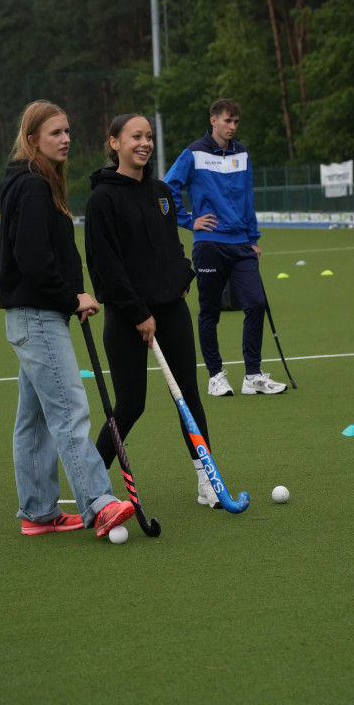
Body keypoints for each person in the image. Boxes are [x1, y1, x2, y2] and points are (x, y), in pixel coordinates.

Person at [0, 100, 135, 537]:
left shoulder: (32, 182)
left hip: (30, 317)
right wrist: (70, 297)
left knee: (35, 421)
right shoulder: (34, 186)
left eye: (68, 131)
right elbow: (34, 258)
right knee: (70, 411)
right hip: (38, 317)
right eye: (55, 132)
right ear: (32, 138)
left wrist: (69, 295)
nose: (66, 139)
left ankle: (38, 512)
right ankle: (99, 501)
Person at [84, 113, 221, 508]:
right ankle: (90, 485)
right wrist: (138, 312)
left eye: (148, 137)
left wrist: (182, 280)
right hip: (128, 316)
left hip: (171, 310)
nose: (144, 143)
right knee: (130, 405)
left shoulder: (161, 192)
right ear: (115, 143)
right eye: (135, 136)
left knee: (189, 398)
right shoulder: (102, 199)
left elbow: (172, 249)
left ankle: (206, 481)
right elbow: (105, 266)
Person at [164, 98, 287, 397]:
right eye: (227, 121)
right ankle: (215, 375)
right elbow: (167, 186)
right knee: (209, 311)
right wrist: (189, 220)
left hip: (241, 244)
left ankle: (253, 375)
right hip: (209, 245)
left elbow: (248, 198)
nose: (232, 126)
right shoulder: (194, 152)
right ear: (213, 121)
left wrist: (253, 239)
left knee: (256, 303)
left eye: (236, 121)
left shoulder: (242, 153)